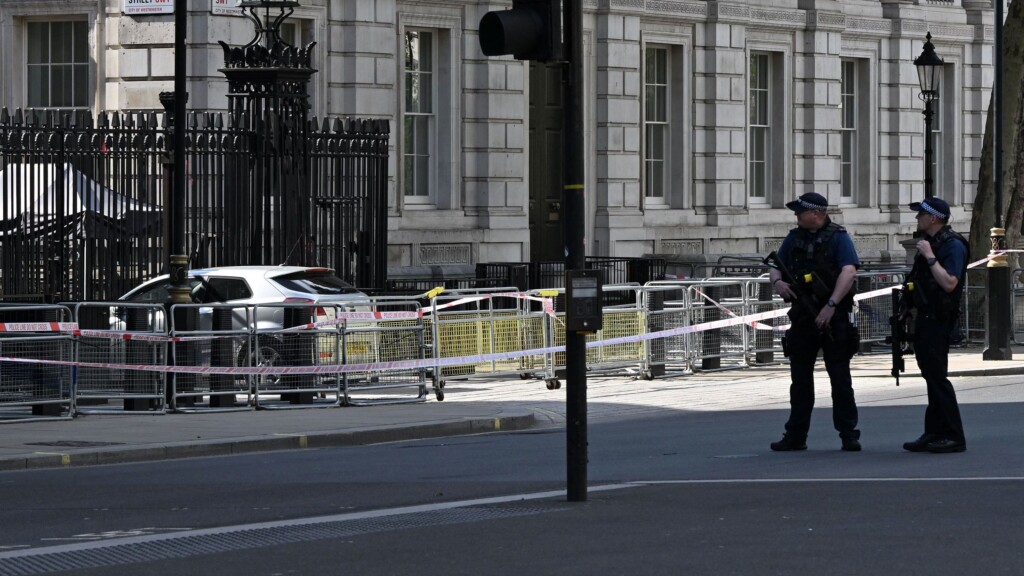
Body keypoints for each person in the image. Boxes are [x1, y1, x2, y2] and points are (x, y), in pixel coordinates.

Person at [769, 192, 862, 452]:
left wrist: (831, 306)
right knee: (800, 380)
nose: (797, 216)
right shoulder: (794, 237)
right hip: (802, 316)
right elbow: (775, 264)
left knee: (840, 378)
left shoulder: (839, 238)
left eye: (801, 212)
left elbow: (849, 271)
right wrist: (778, 283)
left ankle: (848, 434)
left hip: (835, 319)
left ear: (817, 214)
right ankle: (796, 435)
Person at [901, 197, 969, 454]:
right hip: (925, 316)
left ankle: (954, 435)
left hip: (939, 319)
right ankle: (934, 432)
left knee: (938, 378)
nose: (917, 218)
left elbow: (950, 283)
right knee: (930, 376)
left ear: (934, 218)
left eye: (921, 215)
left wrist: (930, 257)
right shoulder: (931, 243)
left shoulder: (952, 245)